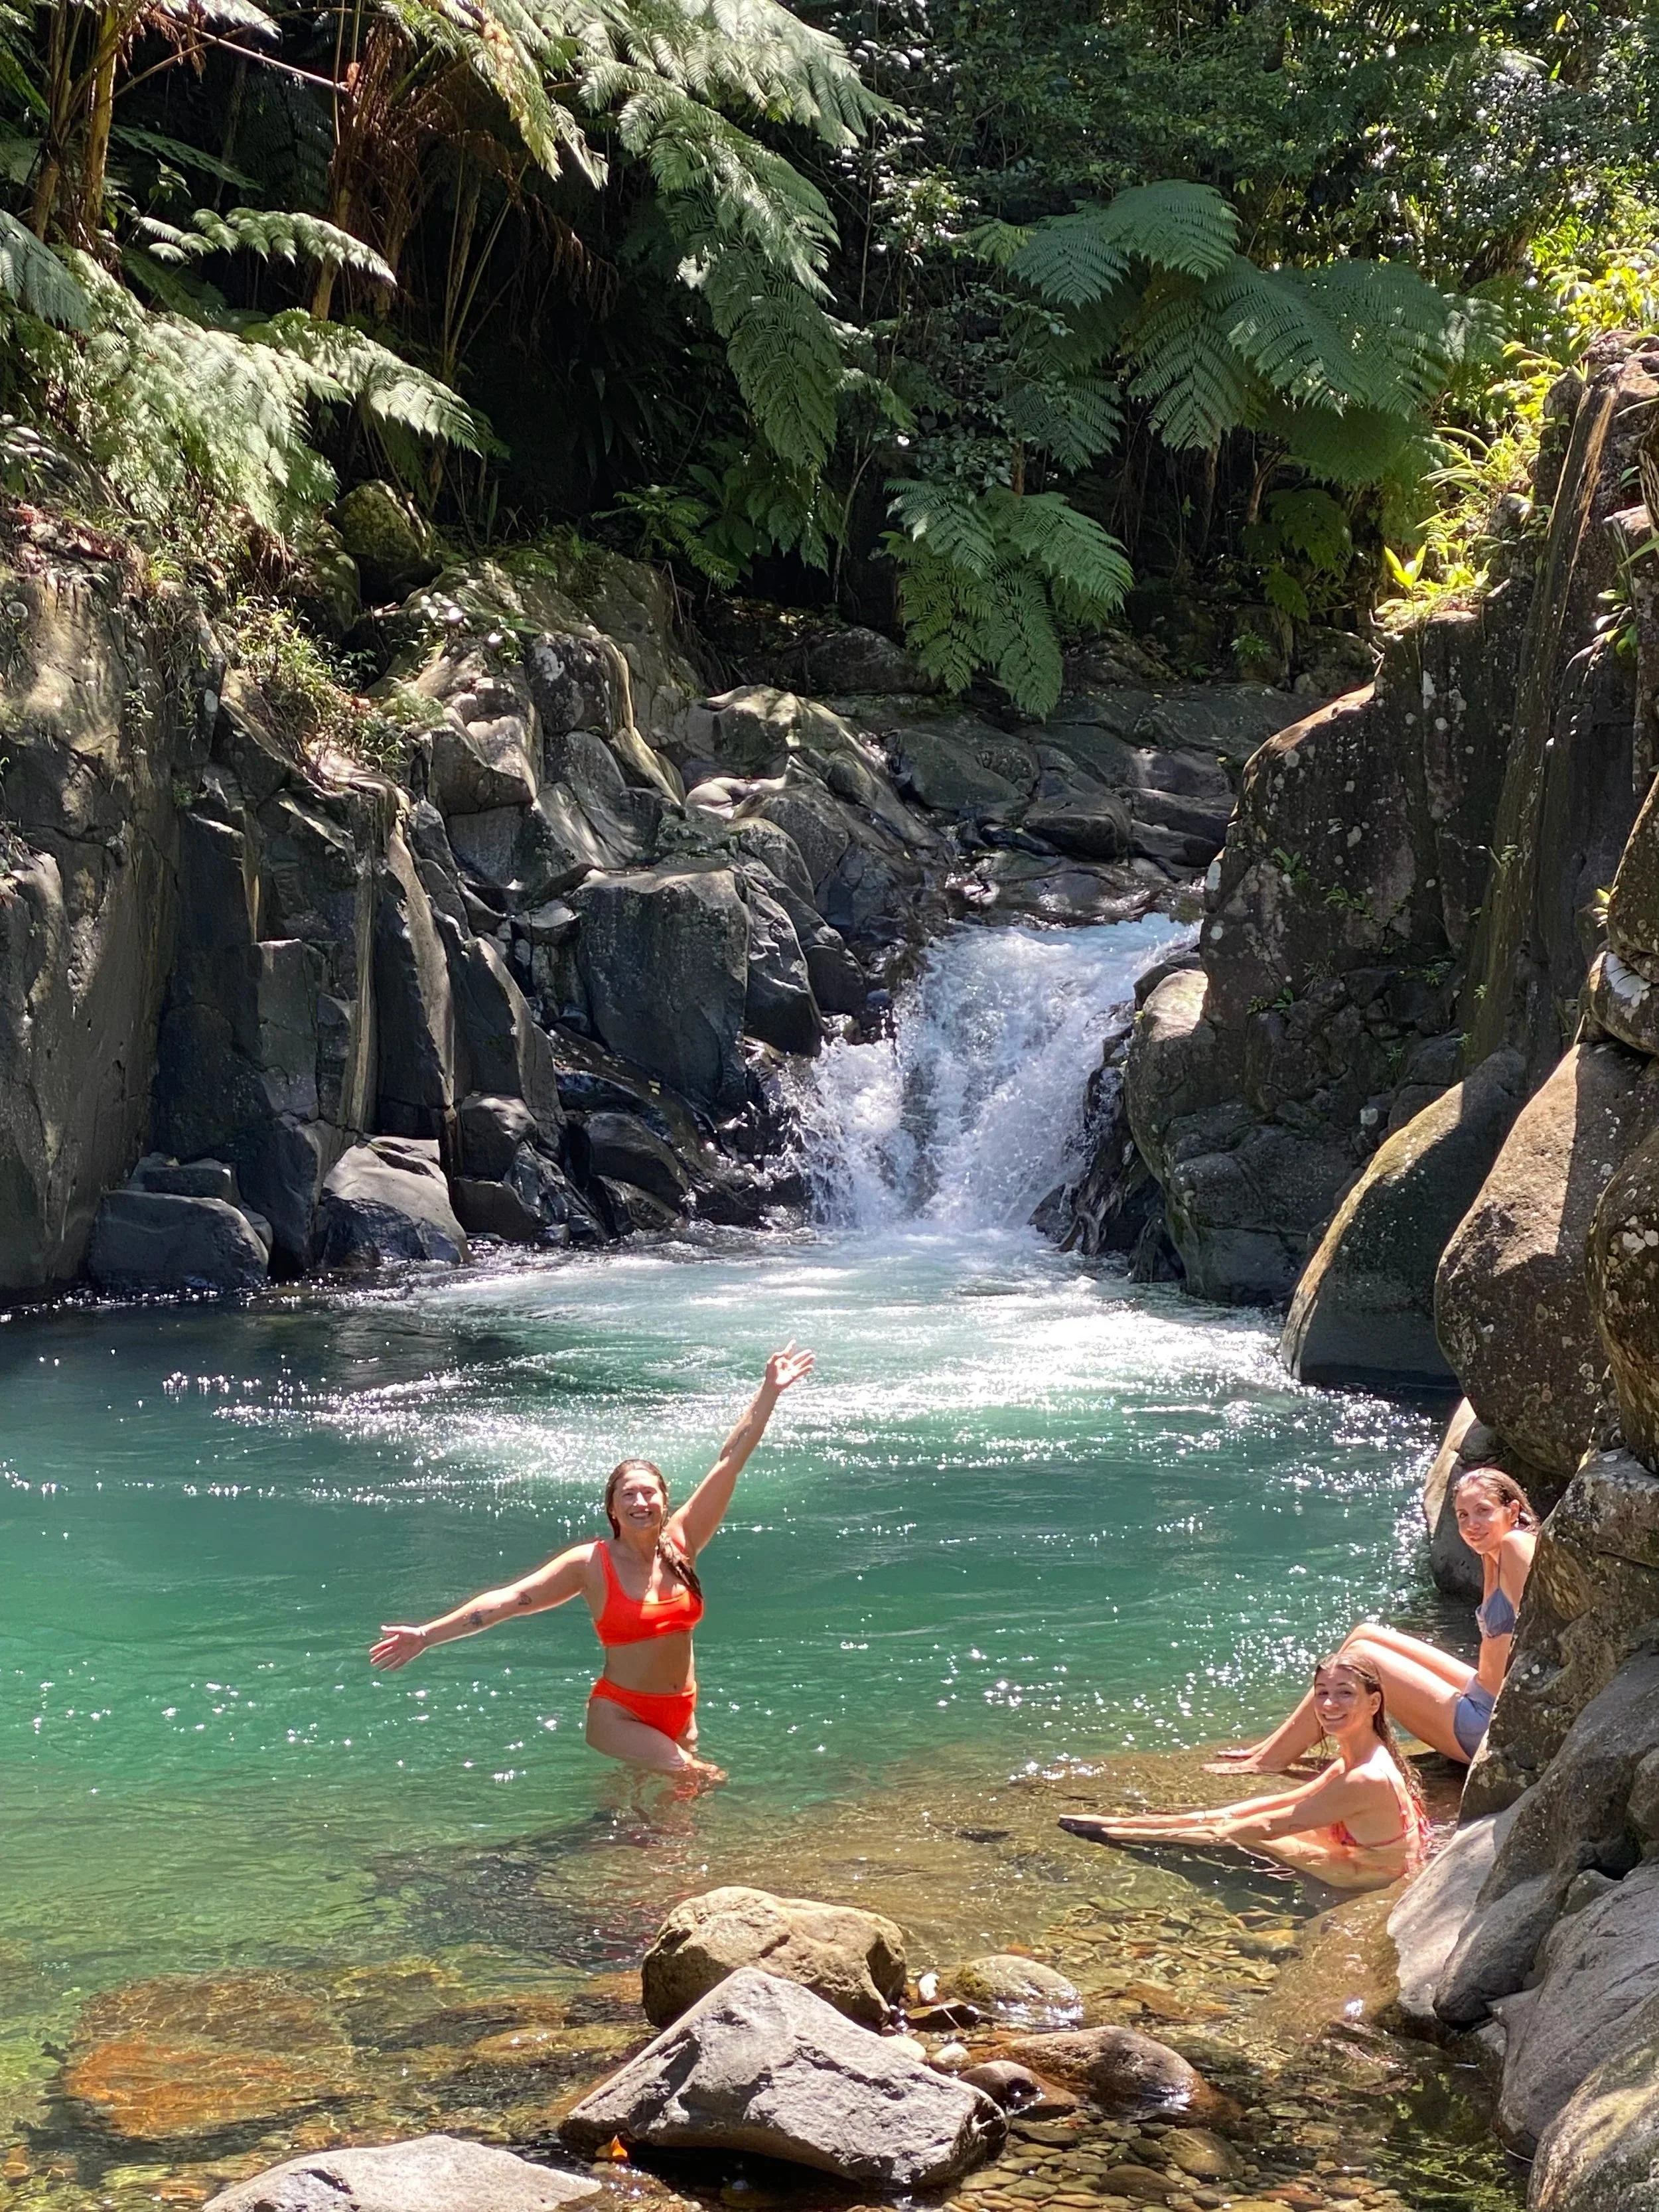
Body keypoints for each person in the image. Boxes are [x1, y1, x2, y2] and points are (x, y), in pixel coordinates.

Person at [368, 1343, 816, 1785]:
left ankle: (604, 1840)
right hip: (620, 1714)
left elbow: (729, 1460)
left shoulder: (683, 1542)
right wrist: (427, 1635)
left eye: (649, 1492)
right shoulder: (591, 1564)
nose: (641, 1501)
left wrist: (769, 1391)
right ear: (613, 1510)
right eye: (629, 1495)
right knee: (701, 1779)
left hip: (681, 1713)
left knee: (664, 1828)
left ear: (664, 1499)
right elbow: (511, 1600)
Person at [1207, 1467, 1538, 1775]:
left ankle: (1271, 1761)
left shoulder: (1514, 1545)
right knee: (1364, 1636)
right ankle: (1272, 1746)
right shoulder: (1493, 1556)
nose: (1471, 1525)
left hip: (1486, 1724)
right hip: (1483, 1691)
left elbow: (1539, 1625)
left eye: (1483, 1510)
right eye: (1463, 1515)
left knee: (1364, 1661)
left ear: (1511, 1511)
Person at [1058, 1653, 1431, 1891]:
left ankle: (1132, 1835)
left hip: (1369, 1877)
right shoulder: (1354, 1760)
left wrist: (1145, 1838)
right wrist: (1134, 1822)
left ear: (1374, 1702)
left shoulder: (1365, 1776)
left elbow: (1267, 1827)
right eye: (1321, 1693)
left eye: (1345, 1693)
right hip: (1364, 1856)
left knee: (1257, 1838)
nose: (1329, 1704)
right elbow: (1272, 1804)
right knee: (1237, 1824)